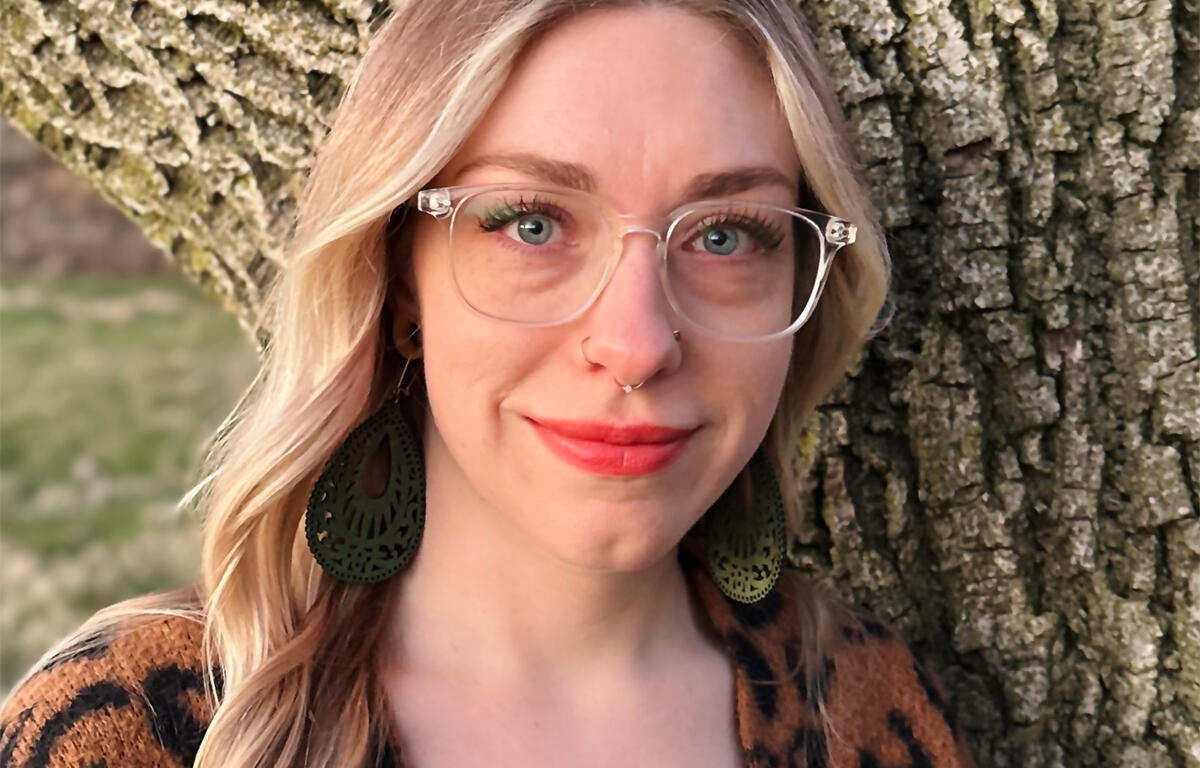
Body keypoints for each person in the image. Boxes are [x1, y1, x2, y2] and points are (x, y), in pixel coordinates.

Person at [0, 1, 977, 767]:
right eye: (531, 223)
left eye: (727, 235)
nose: (637, 344)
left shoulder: (864, 717)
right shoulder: (141, 731)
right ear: (399, 278)